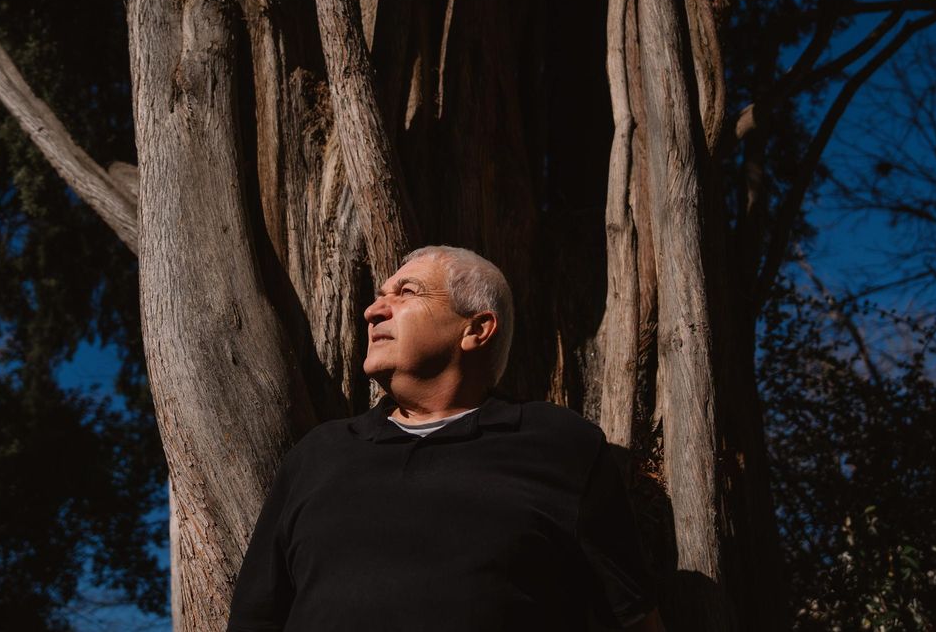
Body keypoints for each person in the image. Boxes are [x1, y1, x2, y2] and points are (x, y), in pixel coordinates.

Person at [226, 245, 665, 631]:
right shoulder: (319, 455)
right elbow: (255, 619)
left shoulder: (558, 444)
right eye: (380, 296)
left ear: (476, 329)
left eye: (407, 292)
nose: (373, 310)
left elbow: (632, 617)